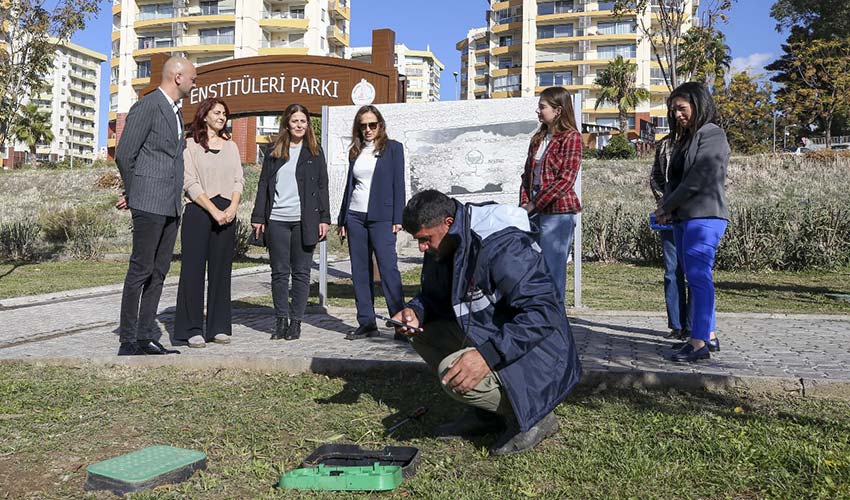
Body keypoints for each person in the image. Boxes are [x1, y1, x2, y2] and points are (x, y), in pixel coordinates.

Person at [391, 190, 582, 456]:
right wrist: (415, 312)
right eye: (418, 241)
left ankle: (536, 416)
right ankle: (486, 414)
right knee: (422, 333)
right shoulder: (446, 242)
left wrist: (487, 355)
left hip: (544, 355)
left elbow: (544, 311)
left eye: (425, 239)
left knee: (451, 369)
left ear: (447, 222)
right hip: (499, 336)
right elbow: (436, 297)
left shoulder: (502, 245)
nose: (422, 248)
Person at [115, 56, 197, 356]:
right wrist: (135, 192)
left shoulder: (176, 112)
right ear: (177, 76)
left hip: (171, 205)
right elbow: (124, 154)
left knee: (159, 272)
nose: (194, 82)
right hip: (148, 202)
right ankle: (128, 339)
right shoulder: (148, 106)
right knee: (140, 270)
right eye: (192, 77)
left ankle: (145, 335)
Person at [654, 82, 729, 363]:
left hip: (705, 216)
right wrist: (667, 208)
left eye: (681, 108)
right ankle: (708, 335)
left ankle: (698, 344)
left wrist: (667, 205)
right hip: (684, 218)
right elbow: (675, 180)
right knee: (696, 277)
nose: (677, 115)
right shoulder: (687, 139)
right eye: (673, 110)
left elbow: (698, 179)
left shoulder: (712, 134)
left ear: (698, 105)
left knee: (699, 278)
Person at [251, 103, 329, 341]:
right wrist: (258, 217)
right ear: (287, 123)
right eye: (295, 121)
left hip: (304, 221)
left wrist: (324, 218)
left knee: (302, 273)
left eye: (303, 121)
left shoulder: (315, 152)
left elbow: (322, 186)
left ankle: (296, 322)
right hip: (277, 220)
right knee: (279, 273)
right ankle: (280, 321)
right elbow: (263, 183)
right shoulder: (274, 150)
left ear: (307, 125)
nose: (299, 125)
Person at [173, 97, 244, 348]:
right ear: (204, 116)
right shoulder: (190, 145)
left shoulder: (232, 146)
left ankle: (219, 327)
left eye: (225, 113)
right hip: (199, 212)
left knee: (221, 272)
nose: (222, 117)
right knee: (192, 273)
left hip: (227, 213)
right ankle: (191, 329)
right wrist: (213, 210)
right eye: (217, 112)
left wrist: (232, 207)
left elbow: (239, 180)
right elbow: (189, 183)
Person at [337, 105, 405, 340]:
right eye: (363, 125)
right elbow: (349, 187)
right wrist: (342, 218)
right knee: (360, 270)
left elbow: (399, 184)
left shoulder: (394, 149)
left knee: (389, 269)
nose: (367, 129)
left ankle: (400, 323)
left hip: (382, 217)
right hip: (355, 216)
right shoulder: (355, 152)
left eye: (372, 125)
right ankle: (366, 322)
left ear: (380, 125)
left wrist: (399, 217)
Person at [519, 86, 582, 306]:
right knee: (532, 268)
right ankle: (536, 316)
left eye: (542, 107)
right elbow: (527, 175)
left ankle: (554, 322)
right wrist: (524, 205)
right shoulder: (538, 138)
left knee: (553, 270)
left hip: (558, 212)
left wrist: (534, 203)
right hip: (532, 210)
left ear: (558, 110)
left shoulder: (571, 138)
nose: (538, 111)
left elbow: (566, 180)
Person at [650, 135, 691, 340]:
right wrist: (664, 203)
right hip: (668, 214)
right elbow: (655, 177)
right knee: (672, 271)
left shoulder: (699, 140)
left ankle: (693, 326)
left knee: (694, 272)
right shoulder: (664, 144)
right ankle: (676, 325)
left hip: (694, 213)